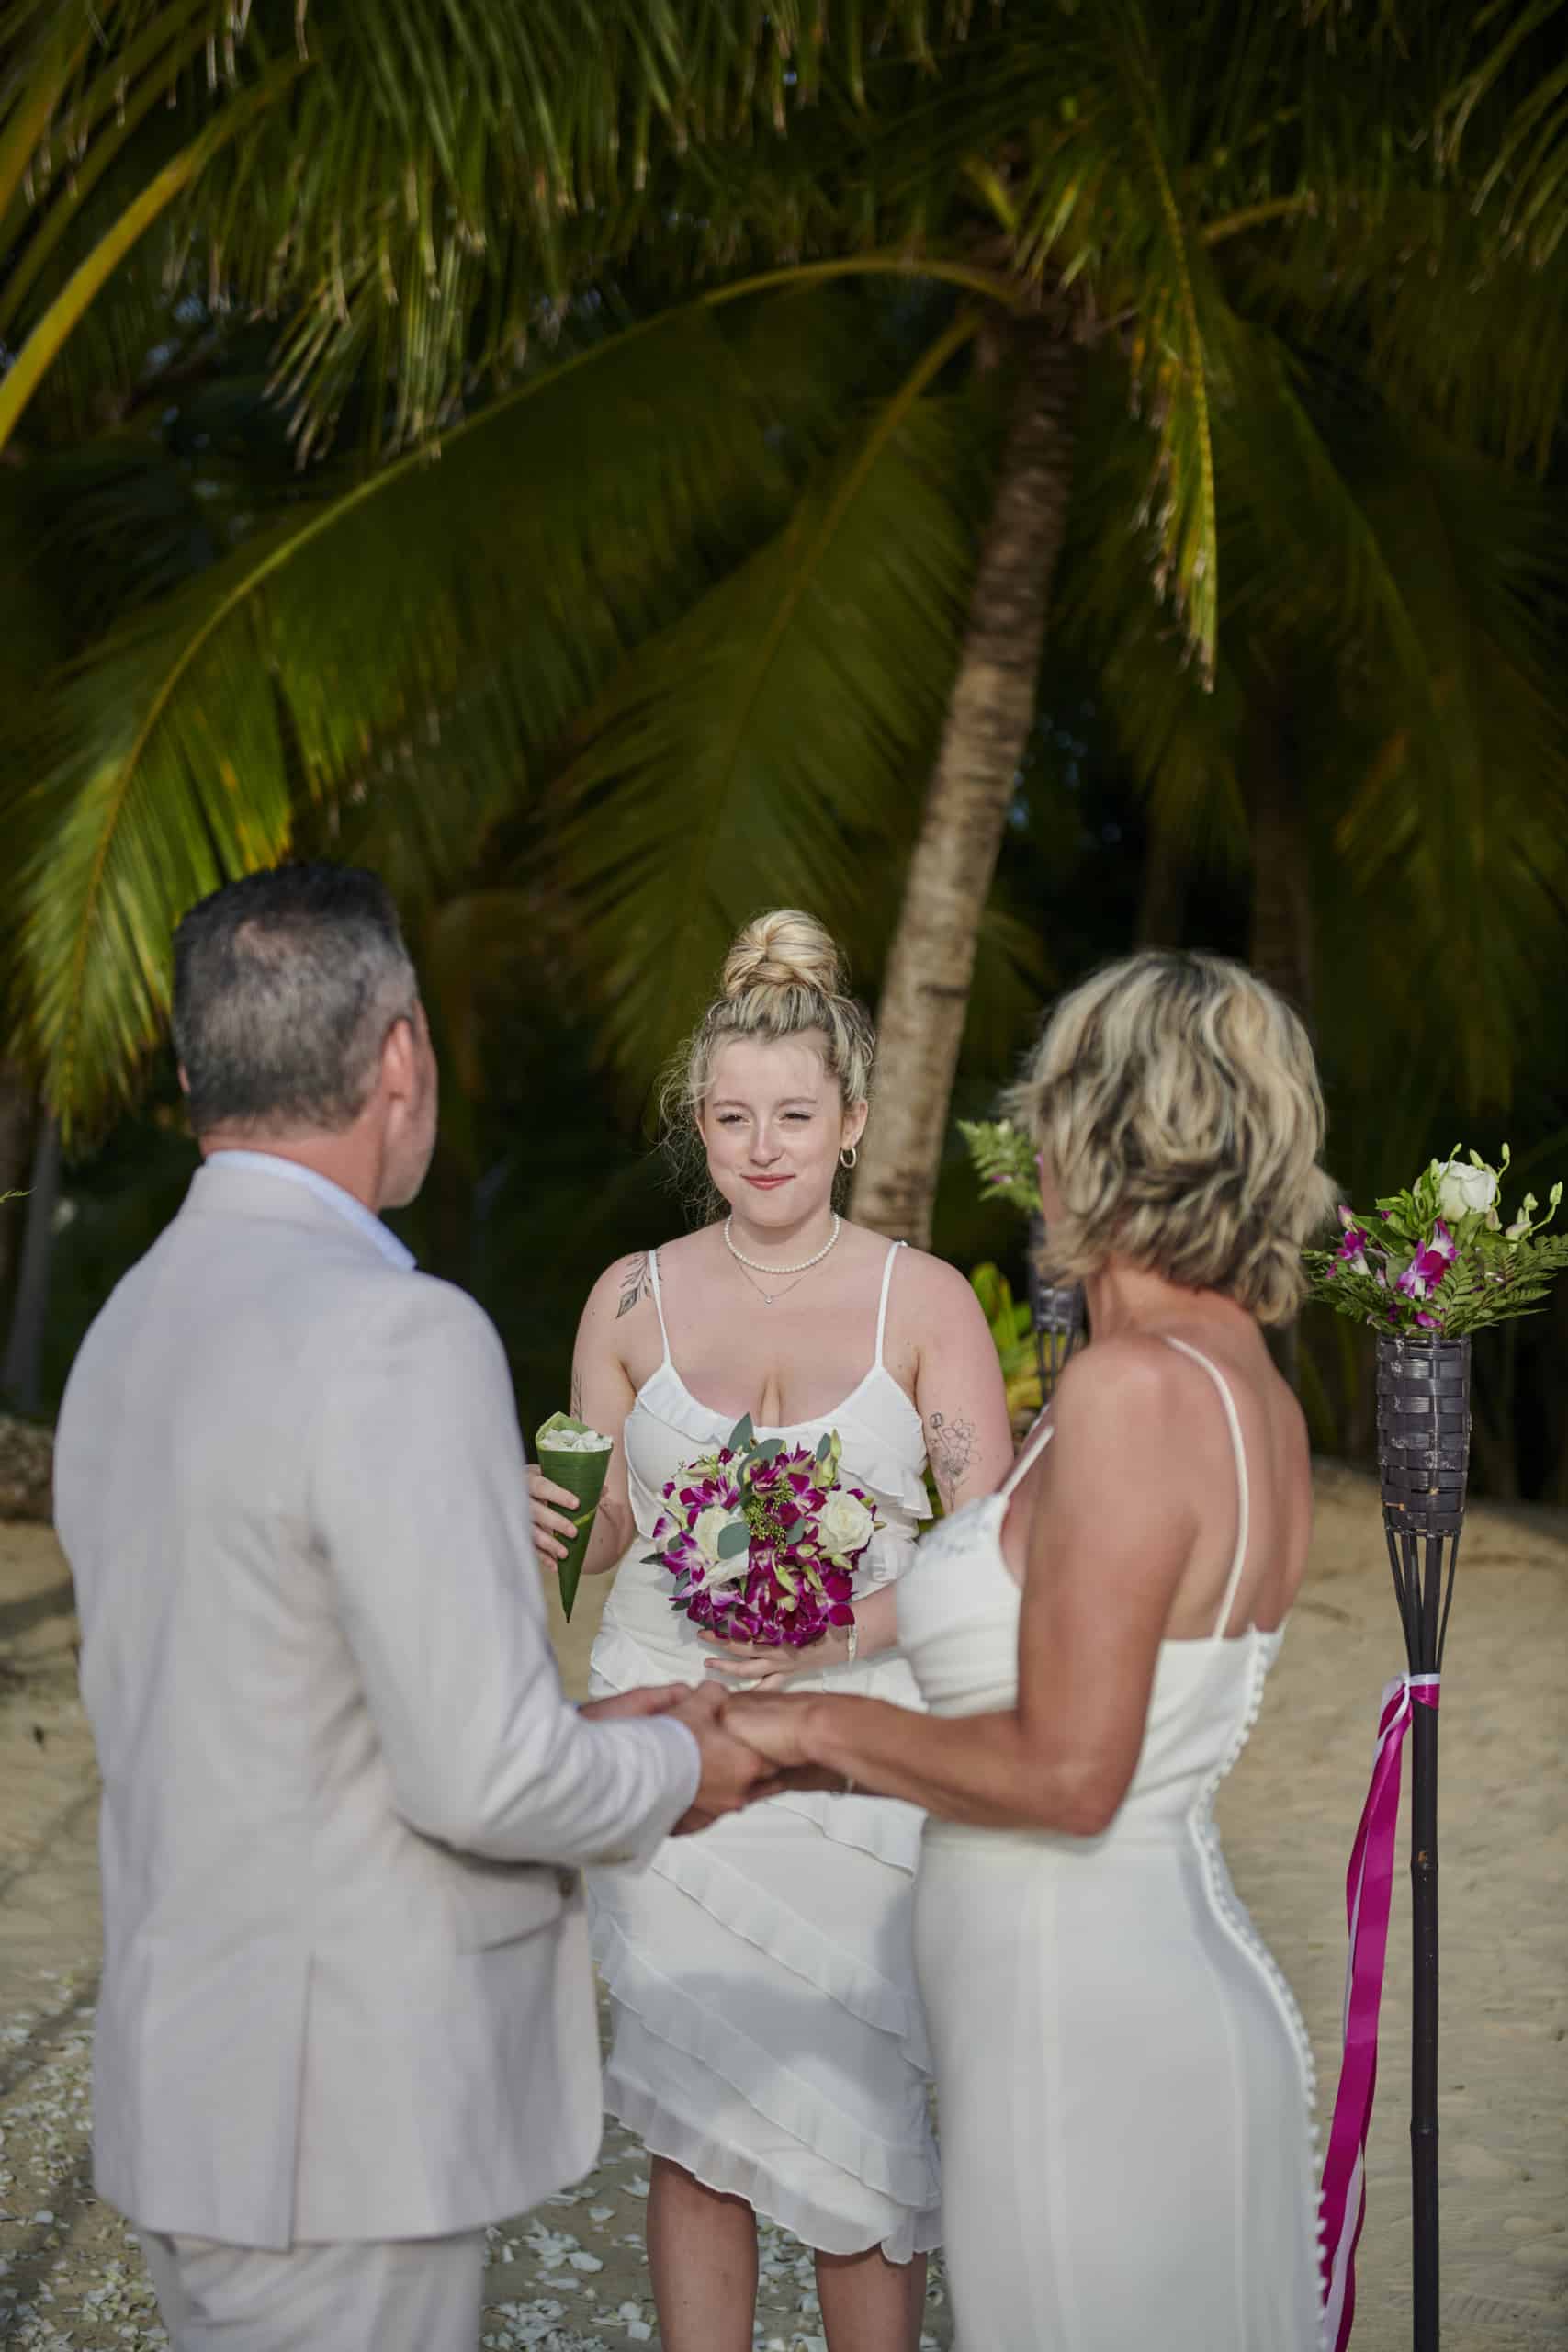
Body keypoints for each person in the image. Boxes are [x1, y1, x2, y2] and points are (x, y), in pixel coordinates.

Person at [52, 863, 768, 2352]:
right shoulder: (397, 1330)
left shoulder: (129, 1324)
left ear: (196, 1073)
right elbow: (486, 1772)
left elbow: (286, 1680)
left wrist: (586, 1719)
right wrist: (690, 1761)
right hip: (345, 2124)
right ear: (399, 1058)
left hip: (194, 2094)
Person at [728, 950, 1337, 2351]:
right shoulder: (1234, 1379)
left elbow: (1069, 1772)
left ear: (1100, 1140)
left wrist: (803, 1732)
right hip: (1113, 1990)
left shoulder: (1135, 1391)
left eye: (1052, 1110)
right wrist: (790, 1754)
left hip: (1089, 2032)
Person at [527, 910, 1014, 2352]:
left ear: (851, 1120)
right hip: (674, 1743)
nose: (764, 1146)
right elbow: (608, 1528)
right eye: (734, 1117)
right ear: (699, 1123)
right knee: (693, 2116)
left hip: (861, 1756)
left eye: (795, 1115)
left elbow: (985, 1547)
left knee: (866, 2108)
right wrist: (554, 1520)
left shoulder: (924, 1302)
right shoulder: (630, 1297)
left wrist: (844, 1635)